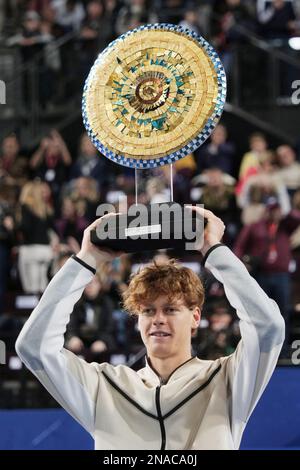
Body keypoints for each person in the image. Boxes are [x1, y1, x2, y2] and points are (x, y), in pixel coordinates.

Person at [16, 208, 285, 450]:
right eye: (147, 311)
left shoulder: (228, 380)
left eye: (170, 309)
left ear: (195, 317)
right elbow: (33, 346)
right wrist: (87, 259)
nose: (157, 319)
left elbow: (268, 327)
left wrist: (213, 249)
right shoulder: (104, 386)